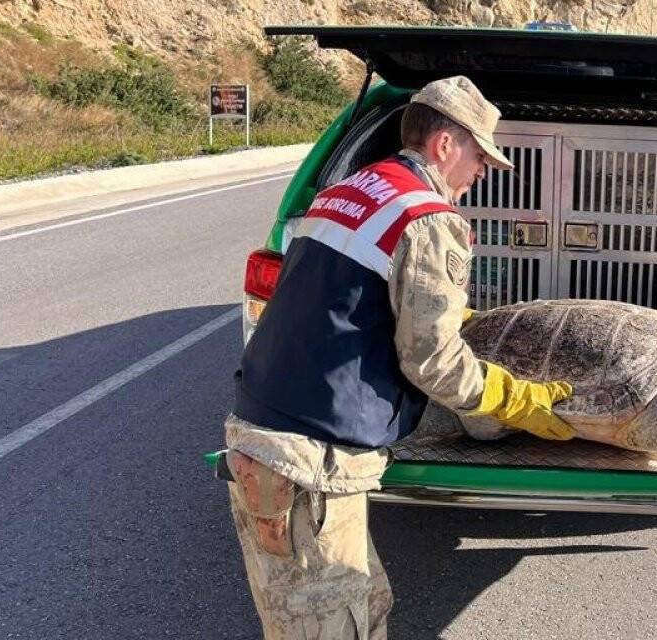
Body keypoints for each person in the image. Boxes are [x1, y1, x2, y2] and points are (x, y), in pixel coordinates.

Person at [223, 76, 575, 639]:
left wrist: (451, 314)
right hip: (308, 461)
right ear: (444, 145)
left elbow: (346, 298)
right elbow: (432, 362)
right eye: (480, 157)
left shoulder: (347, 193)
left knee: (366, 608)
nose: (482, 172)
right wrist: (514, 399)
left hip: (274, 434)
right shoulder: (428, 217)